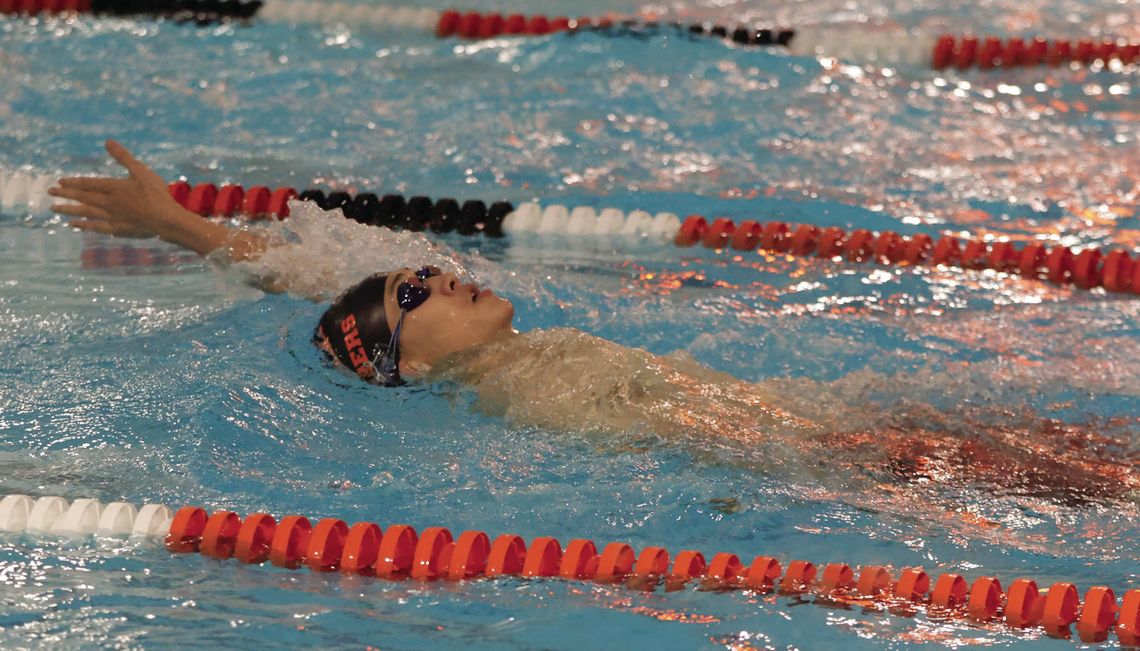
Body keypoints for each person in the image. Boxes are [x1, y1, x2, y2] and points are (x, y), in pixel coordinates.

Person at [50, 141, 1137, 509]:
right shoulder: (524, 386)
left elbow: (320, 278)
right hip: (845, 446)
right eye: (413, 297)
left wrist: (189, 230)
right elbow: (698, 441)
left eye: (419, 270)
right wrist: (861, 453)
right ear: (404, 368)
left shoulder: (488, 356)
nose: (430, 273)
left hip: (840, 423)